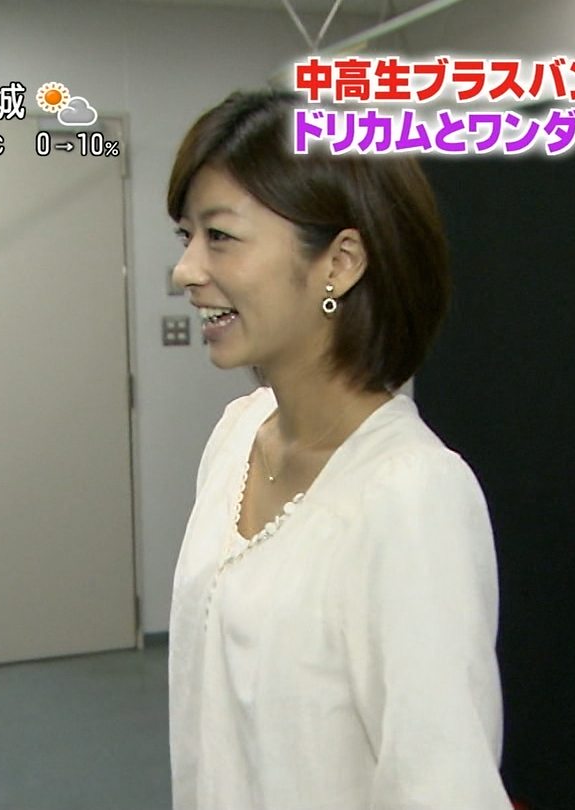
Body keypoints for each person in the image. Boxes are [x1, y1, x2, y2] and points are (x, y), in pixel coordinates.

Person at [167, 89, 510, 809]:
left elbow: (443, 785)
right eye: (185, 237)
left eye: (219, 236)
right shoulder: (236, 436)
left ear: (340, 262)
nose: (186, 271)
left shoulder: (411, 496)